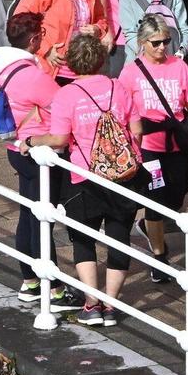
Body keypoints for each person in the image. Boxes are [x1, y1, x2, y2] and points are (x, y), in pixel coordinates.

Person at [36, 32, 142, 326]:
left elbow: (58, 139)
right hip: (123, 175)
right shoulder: (118, 86)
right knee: (120, 237)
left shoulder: (66, 95)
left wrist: (31, 141)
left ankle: (92, 304)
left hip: (84, 175)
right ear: (101, 59)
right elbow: (137, 129)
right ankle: (111, 304)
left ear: (71, 63)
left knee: (83, 239)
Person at [0, 12, 76, 309]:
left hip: (17, 150)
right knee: (42, 220)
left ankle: (30, 280)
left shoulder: (5, 67)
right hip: (40, 154)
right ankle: (52, 288)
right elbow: (64, 106)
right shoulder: (33, 76)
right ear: (35, 39)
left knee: (28, 215)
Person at [115, 14, 188, 279]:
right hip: (148, 145)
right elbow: (121, 109)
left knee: (174, 197)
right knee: (155, 200)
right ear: (142, 43)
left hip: (177, 142)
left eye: (166, 41)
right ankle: (159, 257)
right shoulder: (130, 72)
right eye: (155, 42)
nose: (161, 47)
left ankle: (148, 225)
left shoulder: (179, 67)